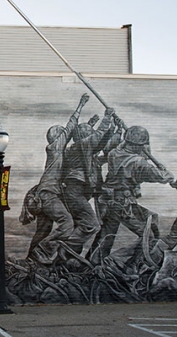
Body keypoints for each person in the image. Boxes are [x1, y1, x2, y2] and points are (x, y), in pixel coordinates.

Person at [88, 126, 175, 262]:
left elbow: (126, 149)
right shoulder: (138, 163)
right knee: (149, 235)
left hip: (110, 200)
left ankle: (93, 262)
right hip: (123, 203)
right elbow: (162, 177)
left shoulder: (114, 154)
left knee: (108, 234)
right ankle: (128, 264)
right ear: (139, 146)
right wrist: (165, 171)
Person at [22, 93, 89, 264]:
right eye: (63, 134)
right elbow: (70, 127)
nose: (66, 136)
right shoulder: (55, 148)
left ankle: (30, 261)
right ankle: (42, 252)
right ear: (58, 137)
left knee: (43, 230)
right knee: (67, 223)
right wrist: (81, 105)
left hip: (43, 195)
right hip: (48, 195)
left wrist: (91, 124)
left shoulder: (56, 152)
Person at [60, 107, 115, 254]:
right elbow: (97, 137)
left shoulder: (80, 150)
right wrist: (107, 118)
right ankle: (64, 247)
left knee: (81, 224)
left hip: (77, 192)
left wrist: (113, 130)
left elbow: (99, 145)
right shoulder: (82, 145)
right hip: (75, 191)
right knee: (92, 225)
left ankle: (68, 259)